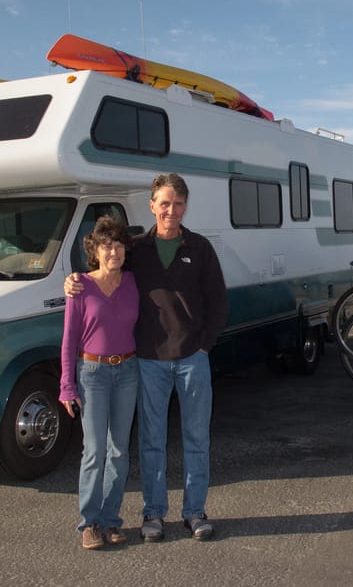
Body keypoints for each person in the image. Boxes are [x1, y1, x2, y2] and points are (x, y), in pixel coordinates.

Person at [65, 173, 228, 542]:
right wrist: (73, 280)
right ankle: (153, 514)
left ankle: (195, 512)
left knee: (196, 438)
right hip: (150, 362)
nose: (172, 210)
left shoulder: (200, 248)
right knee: (151, 440)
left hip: (192, 360)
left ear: (186, 206)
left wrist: (205, 344)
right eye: (165, 203)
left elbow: (219, 301)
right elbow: (102, 267)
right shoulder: (136, 249)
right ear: (152, 205)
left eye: (179, 203)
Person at [59, 215, 140, 550]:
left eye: (119, 245)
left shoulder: (134, 282)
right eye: (107, 246)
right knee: (94, 451)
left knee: (119, 451)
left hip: (128, 371)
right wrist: (67, 384)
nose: (114, 252)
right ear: (96, 251)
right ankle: (89, 524)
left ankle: (110, 520)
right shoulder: (79, 286)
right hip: (92, 374)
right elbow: (68, 340)